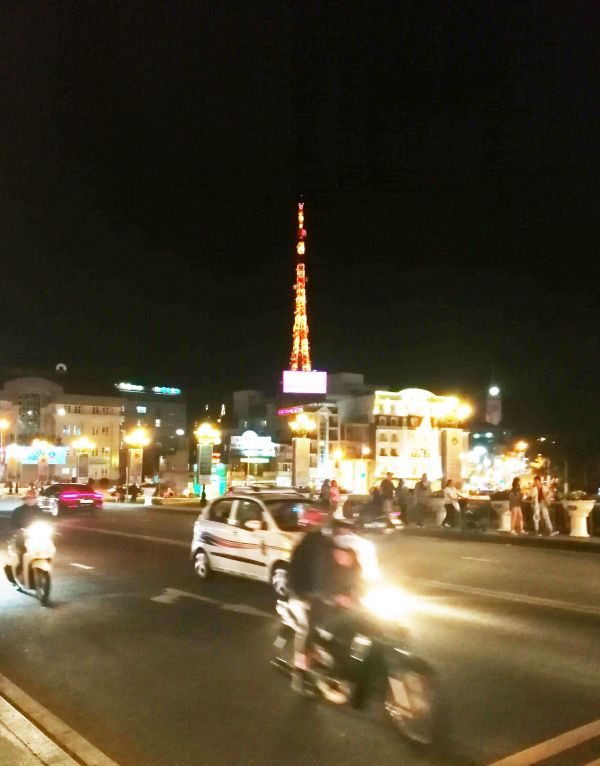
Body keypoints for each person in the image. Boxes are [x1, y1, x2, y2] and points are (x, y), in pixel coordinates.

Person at [287, 519, 362, 694]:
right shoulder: (320, 551)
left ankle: (343, 669)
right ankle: (300, 674)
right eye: (342, 532)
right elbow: (319, 583)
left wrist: (359, 592)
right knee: (310, 628)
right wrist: (336, 597)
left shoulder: (349, 553)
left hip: (326, 594)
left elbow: (358, 575)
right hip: (303, 591)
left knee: (352, 624)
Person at [10, 489, 45, 574]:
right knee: (22, 551)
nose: (31, 500)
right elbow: (13, 524)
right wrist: (20, 529)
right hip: (22, 536)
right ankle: (21, 568)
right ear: (25, 499)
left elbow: (46, 521)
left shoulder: (40, 510)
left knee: (46, 547)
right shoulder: (18, 510)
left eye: (33, 498)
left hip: (36, 535)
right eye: (29, 498)